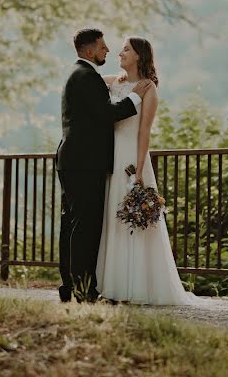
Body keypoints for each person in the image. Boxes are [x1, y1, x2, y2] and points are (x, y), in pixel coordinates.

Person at [96, 36, 198, 305]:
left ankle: (138, 286)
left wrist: (139, 171)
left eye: (126, 49)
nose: (120, 52)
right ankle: (111, 285)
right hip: (110, 157)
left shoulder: (148, 88)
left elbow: (144, 132)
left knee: (133, 219)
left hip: (132, 159)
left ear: (139, 55)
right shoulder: (110, 82)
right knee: (111, 217)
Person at [55, 28, 152, 302]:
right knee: (85, 228)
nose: (107, 51)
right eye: (102, 47)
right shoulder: (86, 77)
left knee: (72, 226)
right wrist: (136, 96)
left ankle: (70, 287)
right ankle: (85, 291)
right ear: (89, 51)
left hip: (73, 161)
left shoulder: (80, 74)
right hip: (84, 164)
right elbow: (108, 114)